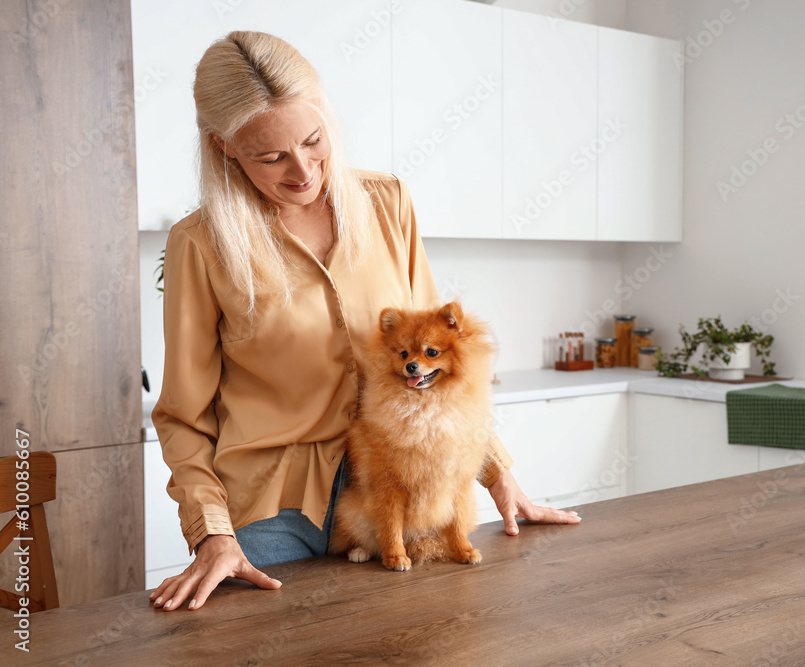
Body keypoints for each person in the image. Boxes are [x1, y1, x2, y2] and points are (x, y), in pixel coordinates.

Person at [150, 31, 580, 612]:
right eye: (271, 156)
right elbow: (183, 414)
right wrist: (213, 534)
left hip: (403, 488)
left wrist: (498, 474)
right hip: (274, 513)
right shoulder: (200, 245)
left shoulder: (387, 203)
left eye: (312, 141)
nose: (303, 171)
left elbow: (447, 361)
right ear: (224, 147)